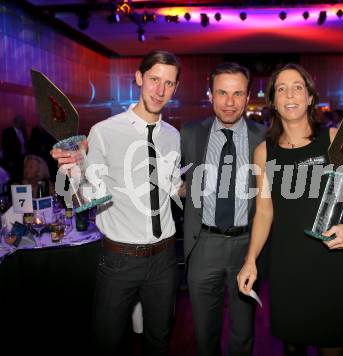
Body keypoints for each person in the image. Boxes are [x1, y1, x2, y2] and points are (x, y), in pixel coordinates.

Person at [51, 50, 182, 356]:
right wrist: (71, 168)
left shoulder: (173, 136)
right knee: (107, 341)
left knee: (159, 340)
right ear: (138, 78)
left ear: (175, 88)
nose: (160, 90)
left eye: (169, 83)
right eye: (153, 80)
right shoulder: (105, 132)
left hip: (164, 257)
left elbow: (172, 187)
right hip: (119, 258)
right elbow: (88, 195)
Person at [237, 63, 343, 356]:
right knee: (292, 347)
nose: (290, 93)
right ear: (273, 101)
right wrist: (250, 260)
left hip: (331, 261)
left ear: (310, 97)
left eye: (298, 86)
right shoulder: (264, 152)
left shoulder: (334, 137)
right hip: (287, 265)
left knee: (333, 346)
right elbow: (264, 211)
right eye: (281, 88)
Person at [180, 62, 266, 356]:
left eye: (237, 93)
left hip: (248, 246)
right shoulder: (190, 133)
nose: (229, 102)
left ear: (248, 96)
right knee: (205, 331)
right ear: (210, 95)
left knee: (243, 331)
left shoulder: (264, 137)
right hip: (203, 244)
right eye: (222, 93)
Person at [1, 115, 28, 182]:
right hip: (13, 159)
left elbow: (25, 144)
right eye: (20, 122)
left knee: (22, 174)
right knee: (15, 177)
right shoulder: (7, 132)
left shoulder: (23, 131)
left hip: (23, 157)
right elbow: (5, 147)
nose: (22, 123)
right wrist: (8, 160)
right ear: (15, 122)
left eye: (22, 122)